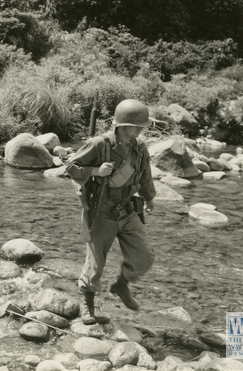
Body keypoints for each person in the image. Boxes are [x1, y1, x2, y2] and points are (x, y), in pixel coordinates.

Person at [65, 99, 156, 324]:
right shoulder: (99, 144)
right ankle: (88, 306)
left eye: (141, 127)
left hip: (127, 209)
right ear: (121, 125)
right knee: (95, 263)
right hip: (101, 210)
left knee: (145, 257)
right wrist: (96, 170)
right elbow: (70, 167)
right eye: (136, 127)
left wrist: (149, 197)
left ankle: (122, 284)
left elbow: (145, 175)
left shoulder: (139, 148)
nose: (139, 131)